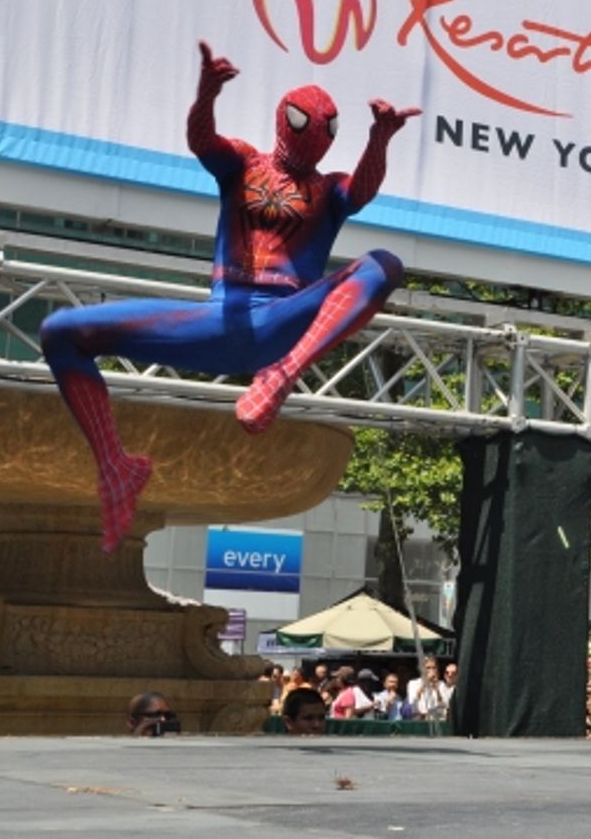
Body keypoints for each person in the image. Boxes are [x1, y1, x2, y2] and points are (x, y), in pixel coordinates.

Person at [40, 41, 419, 551]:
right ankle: (115, 466)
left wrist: (380, 138)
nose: (314, 138)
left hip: (285, 322)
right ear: (283, 120)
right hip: (221, 321)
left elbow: (363, 191)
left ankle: (282, 375)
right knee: (62, 333)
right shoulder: (243, 162)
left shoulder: (328, 191)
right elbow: (203, 142)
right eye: (304, 123)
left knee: (382, 265)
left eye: (326, 129)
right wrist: (207, 92)